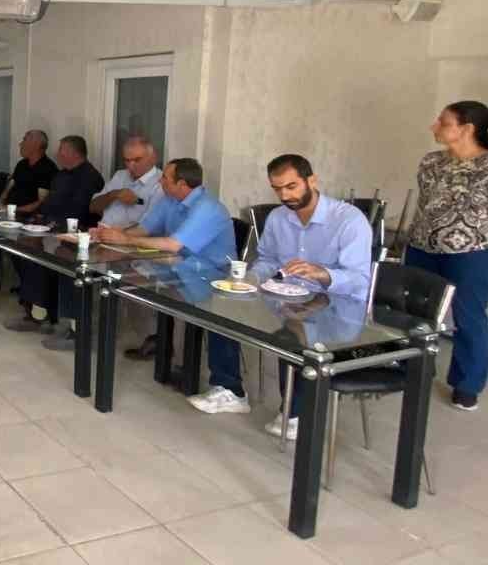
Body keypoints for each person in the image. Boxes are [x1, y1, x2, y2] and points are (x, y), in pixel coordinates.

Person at [196, 153, 372, 437]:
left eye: (291, 186)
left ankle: (296, 412)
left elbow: (359, 280)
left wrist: (322, 273)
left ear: (311, 180)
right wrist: (251, 279)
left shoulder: (348, 220)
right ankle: (229, 389)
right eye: (277, 189)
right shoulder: (279, 217)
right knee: (224, 308)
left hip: (335, 305)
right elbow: (268, 260)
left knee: (294, 328)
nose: (285, 196)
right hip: (287, 295)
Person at [406, 99, 488, 410]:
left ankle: (467, 386)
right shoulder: (431, 162)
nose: (434, 126)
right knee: (415, 313)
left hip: (472, 256)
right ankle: (416, 369)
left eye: (443, 122)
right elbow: (426, 205)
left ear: (466, 129)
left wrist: (477, 238)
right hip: (422, 249)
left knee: (469, 318)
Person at [94, 158, 243, 404]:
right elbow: (144, 229)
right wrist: (111, 236)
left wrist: (126, 240)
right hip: (179, 268)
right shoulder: (170, 200)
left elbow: (173, 244)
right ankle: (163, 354)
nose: (160, 180)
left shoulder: (208, 207)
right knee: (134, 287)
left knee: (190, 308)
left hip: (214, 276)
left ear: (181, 184)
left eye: (165, 178)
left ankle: (211, 379)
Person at [5, 135, 106, 335]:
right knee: (23, 250)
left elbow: (79, 210)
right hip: (49, 227)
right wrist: (39, 218)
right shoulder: (61, 175)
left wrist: (52, 224)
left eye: (61, 150)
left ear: (72, 153)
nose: (57, 154)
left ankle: (55, 320)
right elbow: (49, 201)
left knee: (43, 258)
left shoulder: (90, 176)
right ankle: (37, 311)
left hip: (75, 234)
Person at [92, 136, 166, 359]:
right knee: (74, 268)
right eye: (127, 160)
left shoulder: (161, 184)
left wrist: (118, 237)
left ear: (153, 158)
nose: (131, 165)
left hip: (132, 247)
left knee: (131, 282)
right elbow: (93, 206)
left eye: (137, 160)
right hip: (102, 238)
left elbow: (151, 227)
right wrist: (114, 194)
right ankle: (85, 328)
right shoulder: (120, 176)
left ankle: (149, 338)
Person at [0, 130, 59, 217]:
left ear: (36, 145)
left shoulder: (48, 169)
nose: (20, 144)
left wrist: (11, 209)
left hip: (27, 217)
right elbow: (8, 189)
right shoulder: (21, 164)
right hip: (8, 212)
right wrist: (0, 205)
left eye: (24, 140)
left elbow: (41, 204)